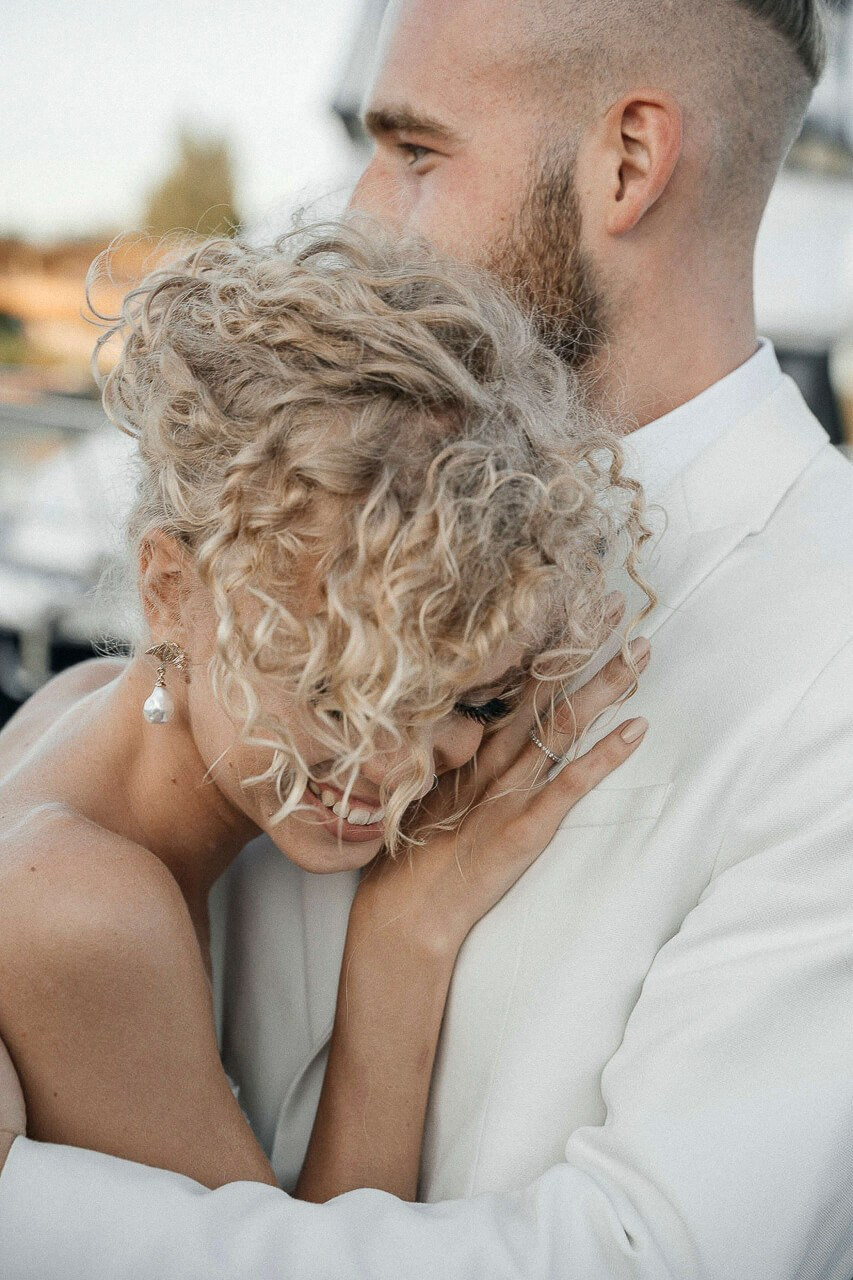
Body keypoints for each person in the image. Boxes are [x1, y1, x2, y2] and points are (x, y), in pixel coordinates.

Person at [2, 0, 853, 1277]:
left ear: (626, 161)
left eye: (412, 150)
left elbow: (651, 1254)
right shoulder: (288, 509)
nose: (356, 210)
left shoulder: (825, 642)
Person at [0, 222, 651, 1191]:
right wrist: (404, 945)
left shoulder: (78, 698)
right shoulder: (88, 906)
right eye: (341, 695)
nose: (396, 772)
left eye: (474, 697)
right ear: (171, 588)